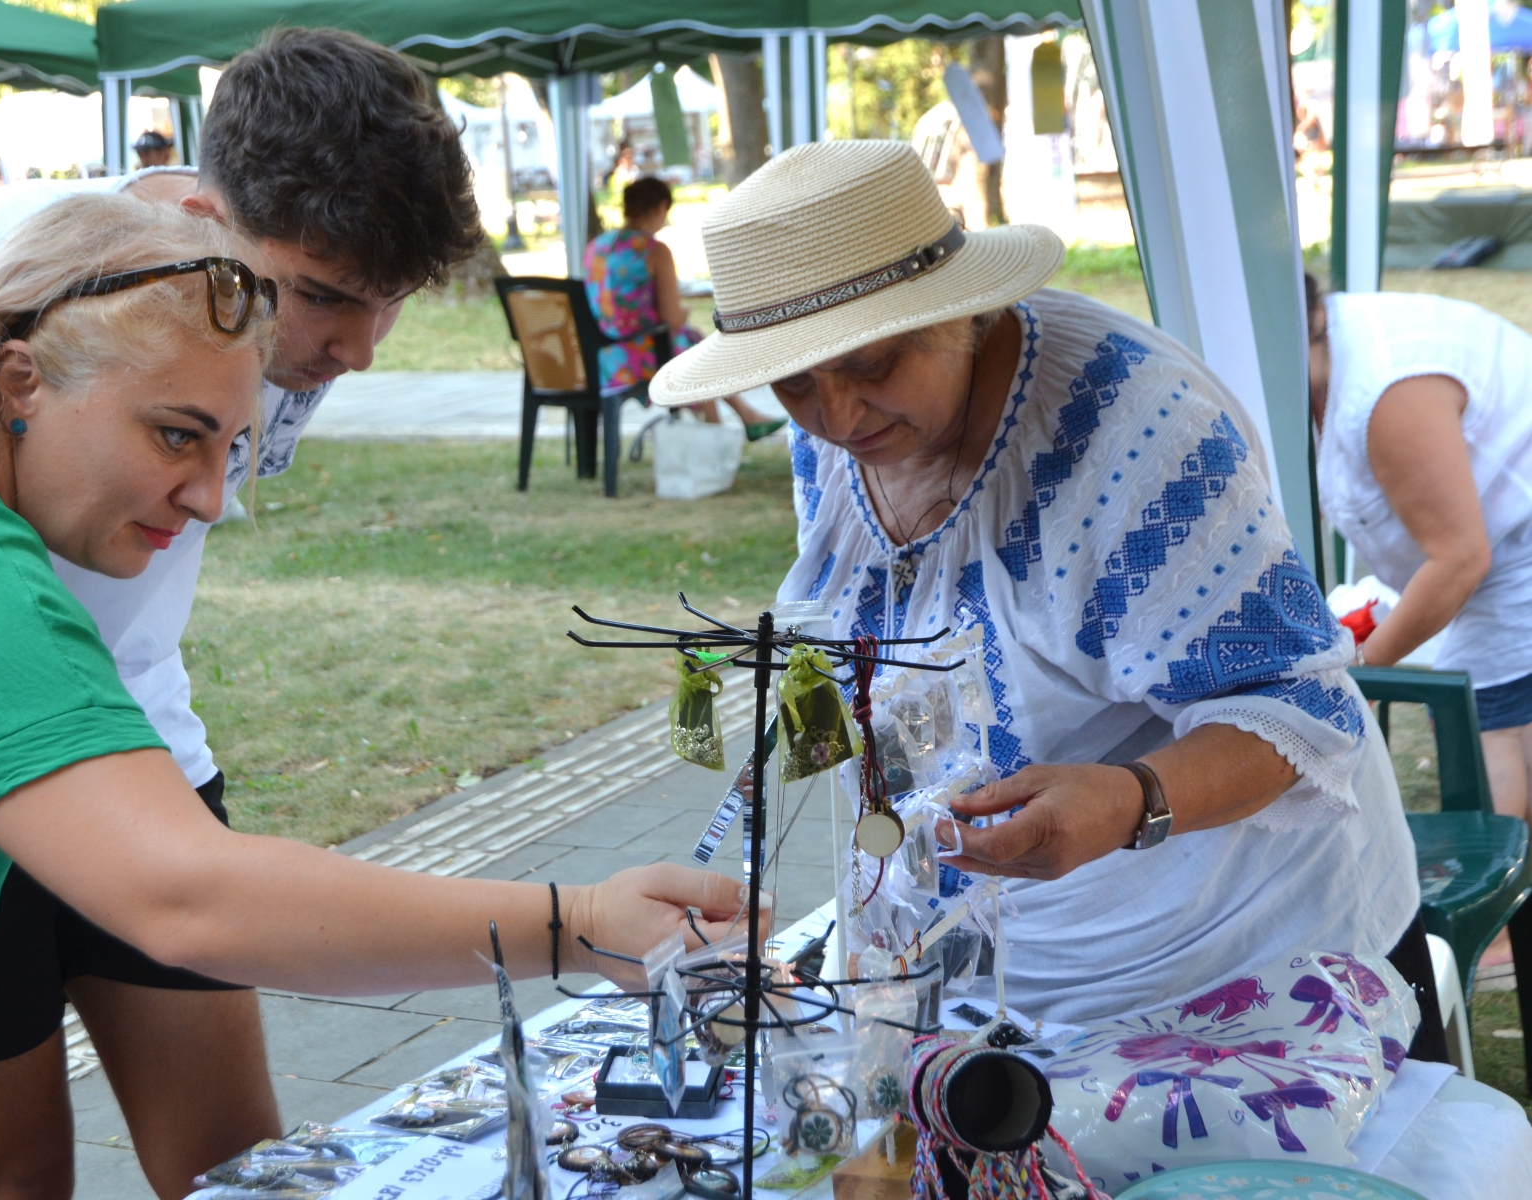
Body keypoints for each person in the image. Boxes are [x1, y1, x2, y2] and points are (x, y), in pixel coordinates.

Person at [0, 192, 753, 1195]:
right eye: (176, 435)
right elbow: (190, 895)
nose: (210, 497)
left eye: (230, 447)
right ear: (19, 377)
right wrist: (581, 920)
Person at [0, 27, 489, 1200]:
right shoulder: (38, 260)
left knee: (244, 1157)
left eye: (385, 308)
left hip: (133, 749)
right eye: (325, 299)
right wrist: (577, 921)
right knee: (19, 1170)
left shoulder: (275, 340)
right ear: (198, 217)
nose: (353, 351)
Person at [649, 140, 1428, 1039]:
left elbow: (1301, 706)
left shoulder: (1133, 428)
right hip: (1012, 963)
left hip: (1241, 957)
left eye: (873, 365)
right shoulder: (833, 434)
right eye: (792, 382)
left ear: (961, 311)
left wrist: (1134, 798)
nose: (839, 417)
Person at [1307, 276, 1532, 823]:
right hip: (1498, 554)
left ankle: (1490, 892)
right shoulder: (1325, 359)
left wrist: (1359, 677)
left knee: (1485, 725)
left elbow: (1460, 559)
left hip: (1513, 558)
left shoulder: (1389, 386)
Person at [584, 176, 784, 440]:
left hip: (598, 357)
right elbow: (672, 319)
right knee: (694, 350)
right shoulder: (654, 250)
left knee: (689, 343)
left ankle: (743, 419)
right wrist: (684, 313)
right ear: (660, 208)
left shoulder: (596, 247)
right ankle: (718, 438)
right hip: (638, 356)